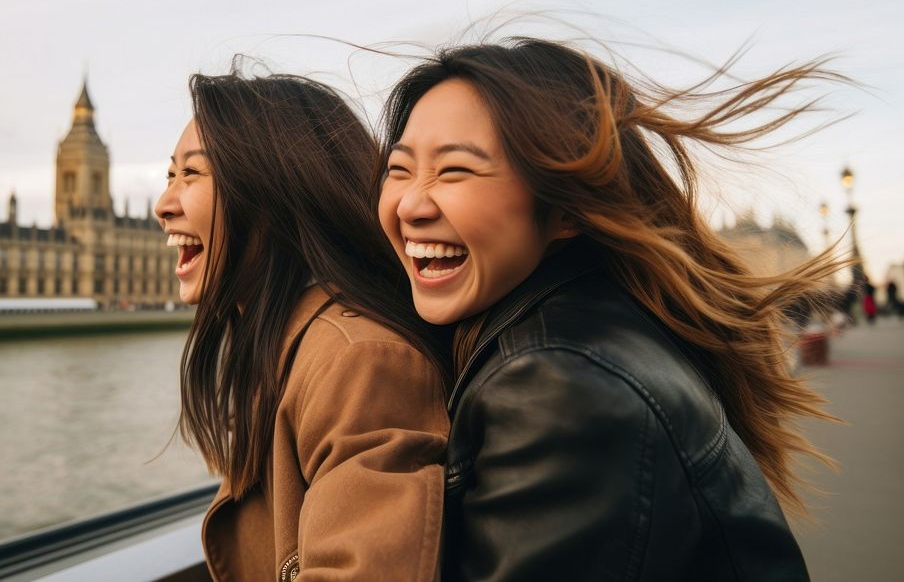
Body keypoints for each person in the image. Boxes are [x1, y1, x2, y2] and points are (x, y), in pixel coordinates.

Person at [378, 38, 839, 581]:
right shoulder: (589, 331)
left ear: (567, 211)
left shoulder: (556, 380)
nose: (411, 203)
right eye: (399, 169)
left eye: (455, 171)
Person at [155, 71, 451, 581]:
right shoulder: (286, 349)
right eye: (169, 177)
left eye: (191, 175)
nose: (164, 205)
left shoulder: (358, 360)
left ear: (270, 192)